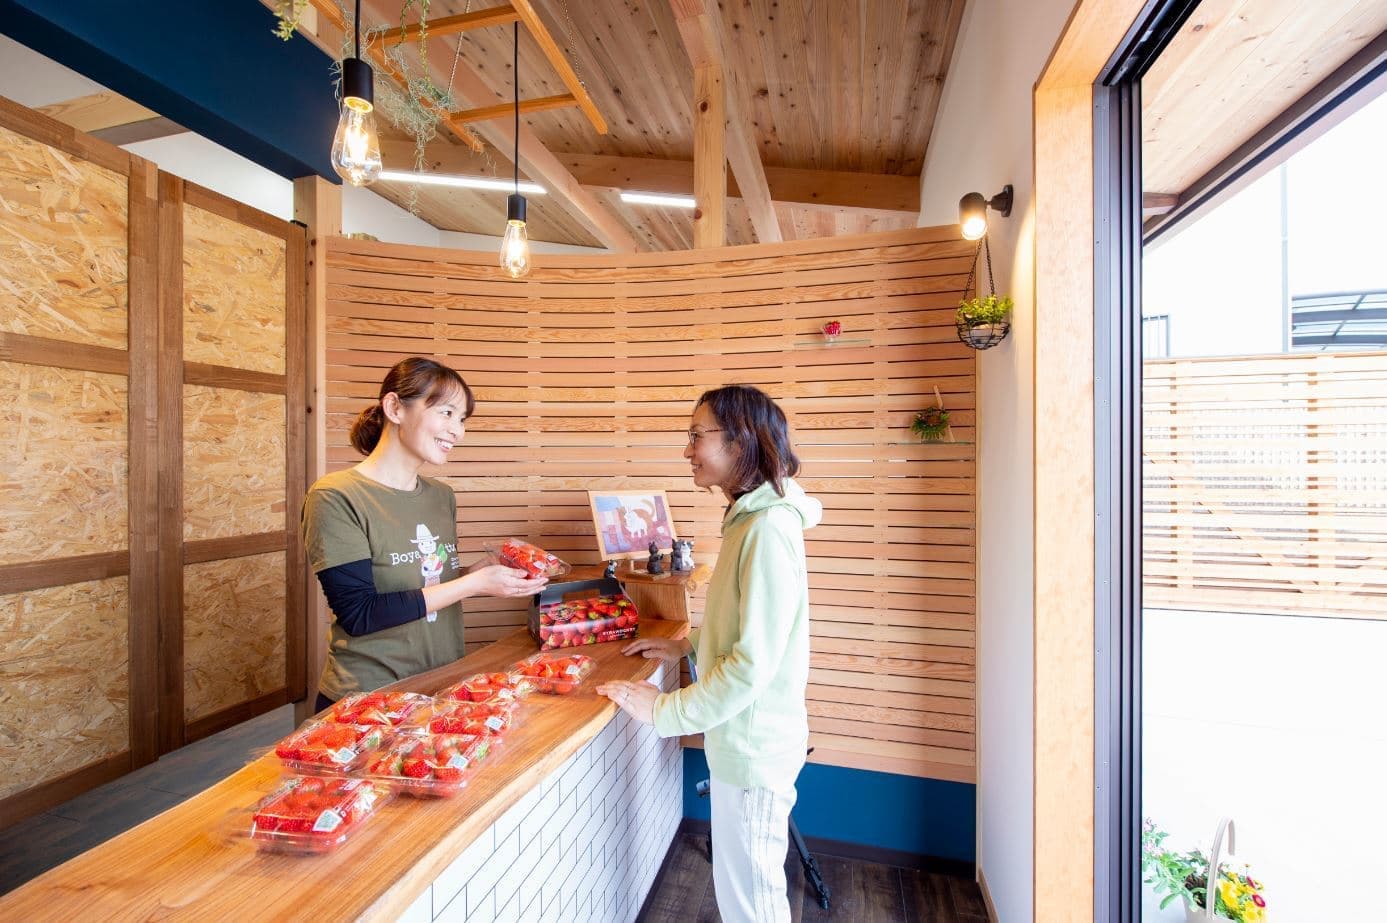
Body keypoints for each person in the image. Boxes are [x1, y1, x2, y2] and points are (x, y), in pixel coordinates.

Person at [597, 384, 822, 923]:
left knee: (753, 904)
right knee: (741, 894)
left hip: (754, 749)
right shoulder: (750, 519)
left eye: (697, 435)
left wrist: (664, 711)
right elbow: (741, 623)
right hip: (742, 744)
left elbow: (753, 663)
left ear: (740, 441)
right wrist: (686, 644)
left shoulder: (767, 528)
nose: (688, 450)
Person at [301, 357, 548, 712]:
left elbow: (423, 582)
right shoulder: (336, 496)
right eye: (446, 413)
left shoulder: (440, 496)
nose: (458, 431)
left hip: (441, 687)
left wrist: (473, 573)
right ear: (394, 408)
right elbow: (359, 613)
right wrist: (474, 584)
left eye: (462, 419)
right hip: (370, 701)